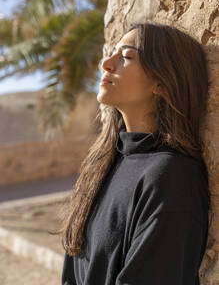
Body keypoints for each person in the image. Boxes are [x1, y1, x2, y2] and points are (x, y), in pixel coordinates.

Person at [60, 22, 211, 285]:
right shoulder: (106, 162)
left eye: (127, 57)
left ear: (162, 83)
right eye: (112, 53)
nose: (106, 63)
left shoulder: (172, 178)